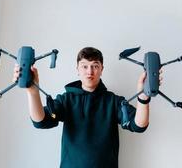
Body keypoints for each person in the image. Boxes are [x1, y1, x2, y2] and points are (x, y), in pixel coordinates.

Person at [13, 47, 162, 168]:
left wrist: (143, 96)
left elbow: (138, 125)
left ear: (102, 69)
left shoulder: (113, 101)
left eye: (95, 66)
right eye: (85, 66)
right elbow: (41, 121)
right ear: (77, 69)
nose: (90, 71)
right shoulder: (66, 99)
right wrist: (33, 92)